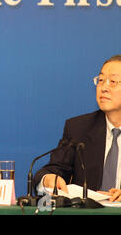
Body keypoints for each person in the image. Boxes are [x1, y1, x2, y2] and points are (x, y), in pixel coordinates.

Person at [34, 54, 121, 201]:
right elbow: (53, 170)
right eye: (100, 80)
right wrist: (48, 179)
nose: (104, 87)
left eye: (113, 81)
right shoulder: (78, 129)